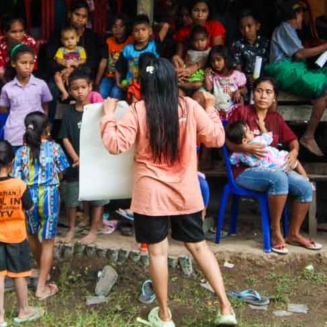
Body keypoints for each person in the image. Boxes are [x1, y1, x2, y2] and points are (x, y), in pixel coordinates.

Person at [100, 57, 237, 327]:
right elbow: (217, 139)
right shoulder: (189, 106)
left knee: (158, 254)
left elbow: (115, 144)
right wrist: (210, 109)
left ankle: (164, 316)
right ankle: (225, 307)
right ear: (173, 82)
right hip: (186, 192)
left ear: (143, 84)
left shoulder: (139, 110)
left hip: (151, 194)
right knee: (199, 247)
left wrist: (107, 116)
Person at [227, 77, 322, 254]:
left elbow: (293, 141)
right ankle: (276, 231)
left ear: (274, 98)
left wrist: (294, 153)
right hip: (244, 171)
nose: (263, 96)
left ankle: (293, 233)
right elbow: (226, 141)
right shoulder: (241, 112)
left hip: (272, 168)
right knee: (278, 178)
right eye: (259, 91)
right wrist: (244, 147)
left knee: (304, 186)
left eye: (268, 92)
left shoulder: (275, 118)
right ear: (253, 93)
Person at [265, 0, 327, 156]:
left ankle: (315, 92)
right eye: (301, 14)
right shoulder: (284, 27)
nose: (303, 19)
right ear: (297, 14)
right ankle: (308, 136)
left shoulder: (292, 32)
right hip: (285, 72)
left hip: (297, 71)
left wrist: (325, 46)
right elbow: (300, 54)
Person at [0, 140, 44, 326]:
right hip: (17, 236)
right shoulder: (19, 185)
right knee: (19, 274)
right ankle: (24, 311)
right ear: (12, 162)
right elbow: (30, 208)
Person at [13, 112, 69, 301]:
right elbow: (61, 172)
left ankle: (41, 268)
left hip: (27, 197)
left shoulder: (20, 152)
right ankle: (41, 287)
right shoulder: (54, 148)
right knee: (48, 241)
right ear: (47, 129)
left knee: (31, 235)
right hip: (50, 197)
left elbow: (16, 178)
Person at [59, 68, 106, 244]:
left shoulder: (98, 110)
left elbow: (104, 134)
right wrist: (75, 157)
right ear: (69, 90)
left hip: (95, 161)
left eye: (83, 87)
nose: (79, 92)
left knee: (98, 196)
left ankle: (94, 229)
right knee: (71, 196)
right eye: (75, 88)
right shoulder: (69, 112)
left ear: (90, 87)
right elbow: (64, 137)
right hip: (75, 163)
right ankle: (71, 229)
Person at [0, 45, 52, 149]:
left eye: (31, 63)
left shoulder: (41, 85)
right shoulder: (7, 88)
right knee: (16, 164)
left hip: (37, 133)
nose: (28, 66)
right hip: (14, 135)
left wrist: (43, 126)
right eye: (23, 63)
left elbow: (45, 107)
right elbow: (3, 110)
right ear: (13, 63)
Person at [225, 121, 309, 178]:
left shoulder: (238, 153)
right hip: (277, 160)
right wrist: (262, 126)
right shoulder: (257, 141)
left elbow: (232, 160)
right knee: (296, 162)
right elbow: (268, 137)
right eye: (250, 132)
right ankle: (306, 178)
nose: (252, 132)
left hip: (265, 169)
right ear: (244, 140)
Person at [115, 15, 168, 93]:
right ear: (132, 33)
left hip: (150, 86)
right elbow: (118, 67)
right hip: (131, 86)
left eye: (143, 29)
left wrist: (154, 24)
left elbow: (165, 26)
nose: (140, 33)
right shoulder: (128, 49)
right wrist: (118, 83)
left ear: (150, 31)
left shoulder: (154, 46)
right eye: (136, 30)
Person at [0, 18, 38, 90]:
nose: (18, 35)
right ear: (5, 32)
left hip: (26, 74)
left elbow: (30, 67)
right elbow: (1, 72)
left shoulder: (30, 42)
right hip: (3, 76)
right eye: (13, 32)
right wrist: (12, 89)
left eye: (21, 31)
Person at [95, 13, 133, 99]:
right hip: (109, 76)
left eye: (121, 26)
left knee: (115, 93)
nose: (117, 29)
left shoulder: (131, 41)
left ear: (126, 28)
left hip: (123, 78)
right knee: (101, 92)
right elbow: (103, 62)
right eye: (115, 26)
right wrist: (97, 82)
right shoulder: (109, 41)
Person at [203, 45, 246, 120]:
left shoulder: (236, 75)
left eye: (218, 60)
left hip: (234, 110)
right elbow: (208, 87)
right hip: (218, 110)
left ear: (226, 59)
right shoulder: (213, 75)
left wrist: (238, 91)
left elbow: (245, 89)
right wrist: (206, 76)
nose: (215, 63)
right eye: (213, 61)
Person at [230, 11, 269, 91]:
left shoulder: (266, 43)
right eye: (242, 27)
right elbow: (237, 69)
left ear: (257, 26)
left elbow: (272, 65)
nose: (246, 30)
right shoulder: (237, 44)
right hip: (246, 83)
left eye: (249, 26)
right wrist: (246, 79)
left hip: (266, 81)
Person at [53, 26, 87, 100]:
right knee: (56, 76)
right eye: (66, 39)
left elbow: (83, 59)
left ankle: (72, 94)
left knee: (72, 78)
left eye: (72, 38)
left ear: (77, 38)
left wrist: (77, 62)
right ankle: (64, 92)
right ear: (62, 41)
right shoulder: (61, 50)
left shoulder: (80, 49)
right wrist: (64, 63)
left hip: (76, 70)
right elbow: (58, 59)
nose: (69, 41)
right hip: (64, 69)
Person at [178, 25, 211, 95]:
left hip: (200, 77)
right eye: (196, 41)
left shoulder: (209, 52)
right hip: (190, 77)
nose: (199, 43)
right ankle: (180, 84)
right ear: (191, 41)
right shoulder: (190, 52)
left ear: (207, 39)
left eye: (202, 40)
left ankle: (179, 84)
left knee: (198, 84)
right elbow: (186, 65)